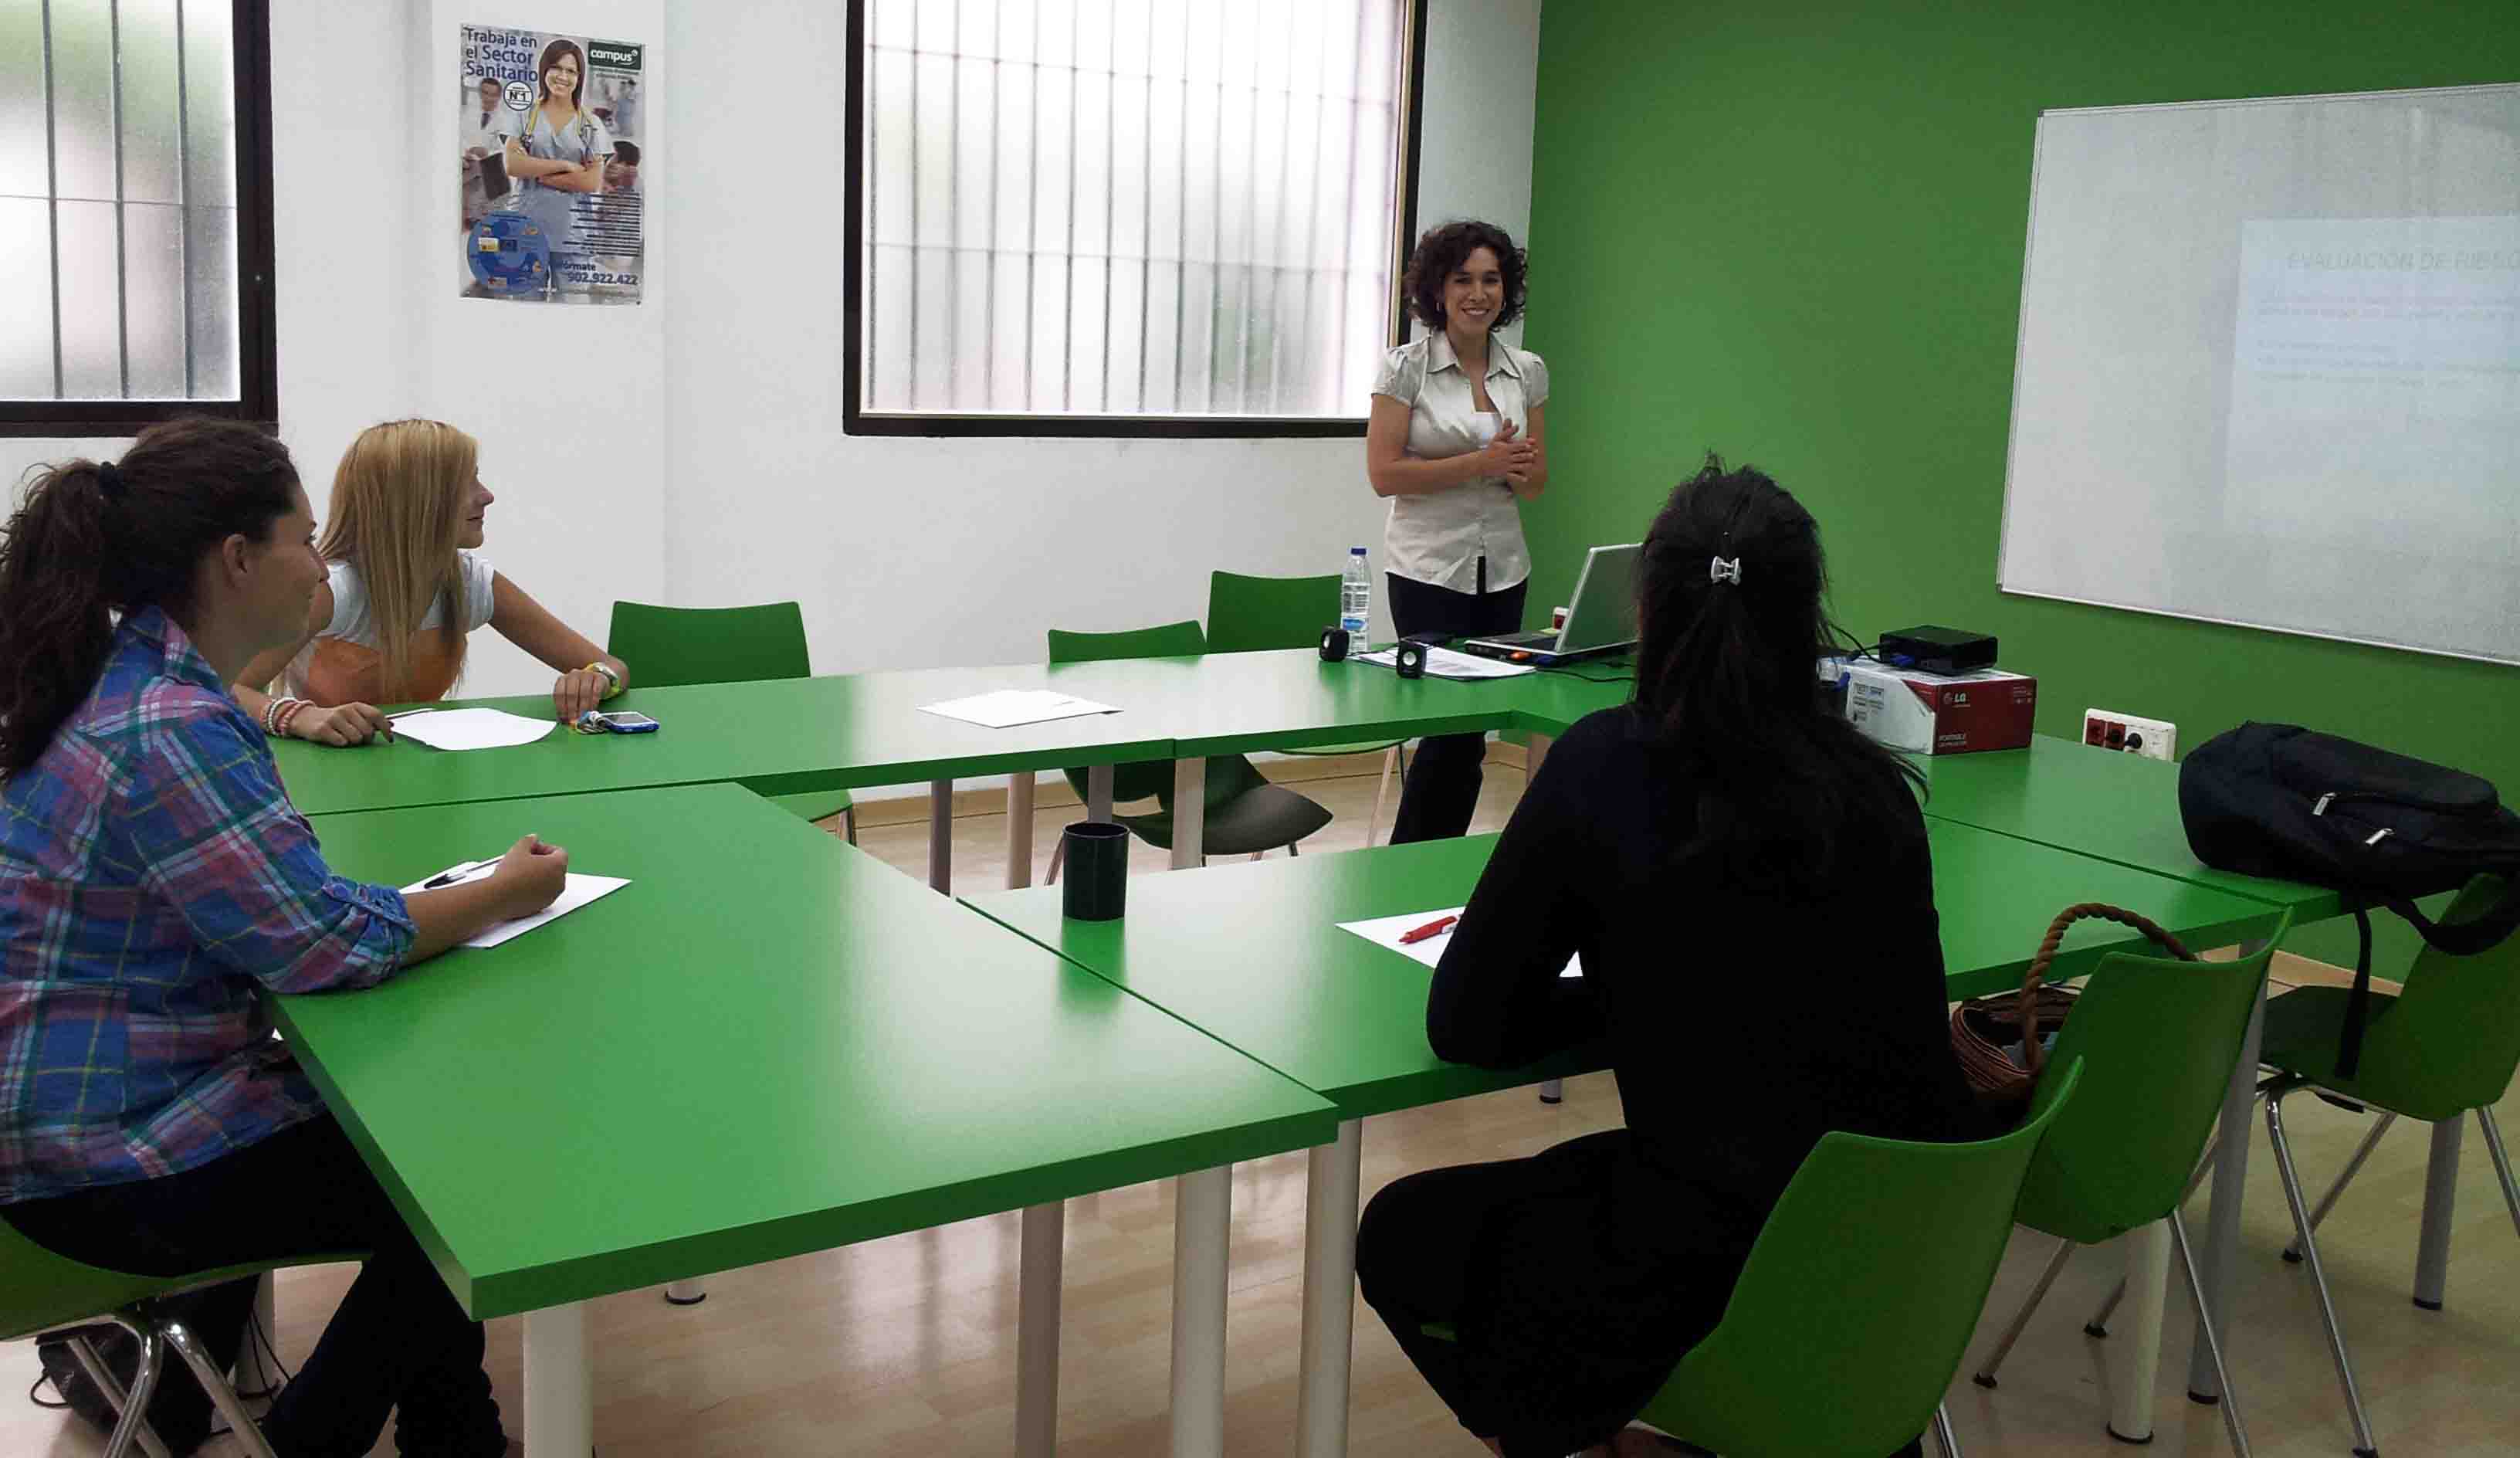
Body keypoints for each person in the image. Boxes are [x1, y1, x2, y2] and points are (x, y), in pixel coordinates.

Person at [1352, 456, 1984, 1458]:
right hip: (1896, 1270)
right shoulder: (1876, 788)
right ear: (1809, 618)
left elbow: (1467, 1024)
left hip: (1715, 1261)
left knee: (1405, 1231)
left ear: (1647, 613)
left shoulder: (1604, 764)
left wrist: (1628, 992)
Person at [0, 418, 568, 1456]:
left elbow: (274, 907)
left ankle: (454, 1436)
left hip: (59, 1118)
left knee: (420, 1132)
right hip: (101, 1163)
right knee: (468, 1169)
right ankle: (326, 1438)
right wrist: (501, 892)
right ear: (236, 559)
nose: (319, 561)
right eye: (305, 538)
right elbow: (322, 948)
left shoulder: (129, 678)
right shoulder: (172, 726)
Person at [233, 419, 630, 744]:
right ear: (416, 501)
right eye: (466, 484)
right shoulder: (336, 590)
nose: (487, 496)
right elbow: (226, 690)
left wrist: (595, 679)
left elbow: (613, 667)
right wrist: (297, 716)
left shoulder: (470, 582)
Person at [1365, 219, 1549, 843]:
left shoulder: (1528, 371)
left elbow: (1537, 482)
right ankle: (1408, 865)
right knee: (1447, 732)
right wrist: (1480, 463)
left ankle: (1436, 865)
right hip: (1427, 570)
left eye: (1491, 279)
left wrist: (1518, 467)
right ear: (1437, 291)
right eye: (1463, 279)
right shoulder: (1405, 369)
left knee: (1475, 734)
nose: (1478, 293)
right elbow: (1384, 475)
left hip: (1504, 569)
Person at [500, 38, 611, 281]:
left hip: (573, 236)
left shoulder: (591, 123)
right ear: (544, 70)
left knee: (574, 302)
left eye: (571, 71)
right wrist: (566, 166)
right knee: (524, 301)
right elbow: (513, 165)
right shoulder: (523, 115)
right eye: (556, 68)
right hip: (525, 231)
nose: (563, 76)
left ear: (579, 77)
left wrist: (537, 172)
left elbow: (590, 182)